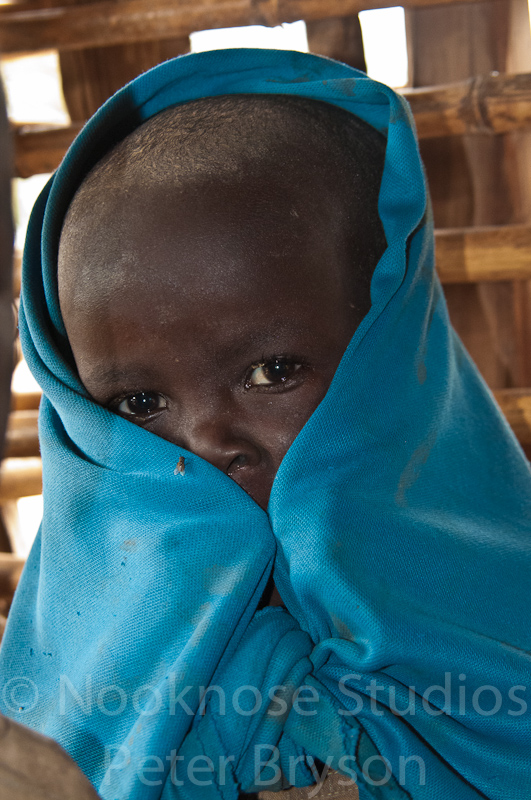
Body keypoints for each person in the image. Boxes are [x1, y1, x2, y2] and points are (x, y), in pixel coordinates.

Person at [0, 48, 530, 800]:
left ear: (384, 361)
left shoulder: (508, 623)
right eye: (137, 404)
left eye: (271, 373)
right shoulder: (60, 696)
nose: (208, 443)